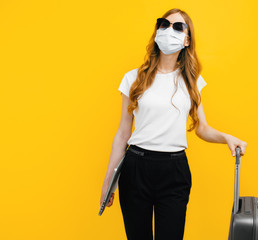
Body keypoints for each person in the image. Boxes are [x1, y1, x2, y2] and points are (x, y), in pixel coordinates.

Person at [100, 8, 247, 240]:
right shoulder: (133, 78)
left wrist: (227, 137)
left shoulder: (192, 81)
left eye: (178, 27)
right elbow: (122, 133)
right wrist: (110, 179)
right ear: (157, 31)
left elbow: (201, 128)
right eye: (164, 24)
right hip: (136, 168)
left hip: (174, 171)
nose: (170, 31)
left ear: (187, 39)